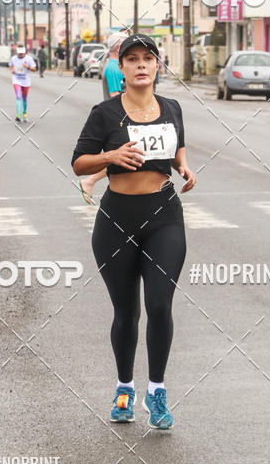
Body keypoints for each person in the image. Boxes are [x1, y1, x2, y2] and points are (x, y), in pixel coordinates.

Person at [72, 33, 196, 431]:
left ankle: (156, 392)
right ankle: (124, 387)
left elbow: (176, 146)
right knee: (126, 312)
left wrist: (183, 167)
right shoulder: (104, 114)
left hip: (164, 215)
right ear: (120, 68)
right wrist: (110, 156)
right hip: (116, 220)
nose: (141, 65)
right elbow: (79, 164)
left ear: (157, 65)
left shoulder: (172, 107)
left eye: (148, 58)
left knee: (160, 305)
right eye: (133, 59)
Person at [79, 33, 126, 205]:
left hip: (120, 116)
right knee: (119, 158)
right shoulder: (113, 68)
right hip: (118, 117)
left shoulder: (116, 66)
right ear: (118, 47)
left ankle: (91, 182)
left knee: (121, 158)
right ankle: (90, 181)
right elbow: (115, 95)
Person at [9, 43, 36, 121]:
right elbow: (10, 65)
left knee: (24, 98)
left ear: (24, 52)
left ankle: (24, 113)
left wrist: (27, 67)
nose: (20, 55)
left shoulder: (29, 59)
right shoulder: (13, 58)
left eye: (22, 53)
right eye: (19, 53)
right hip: (16, 80)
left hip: (26, 81)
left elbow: (34, 69)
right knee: (18, 96)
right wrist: (12, 70)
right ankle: (18, 115)